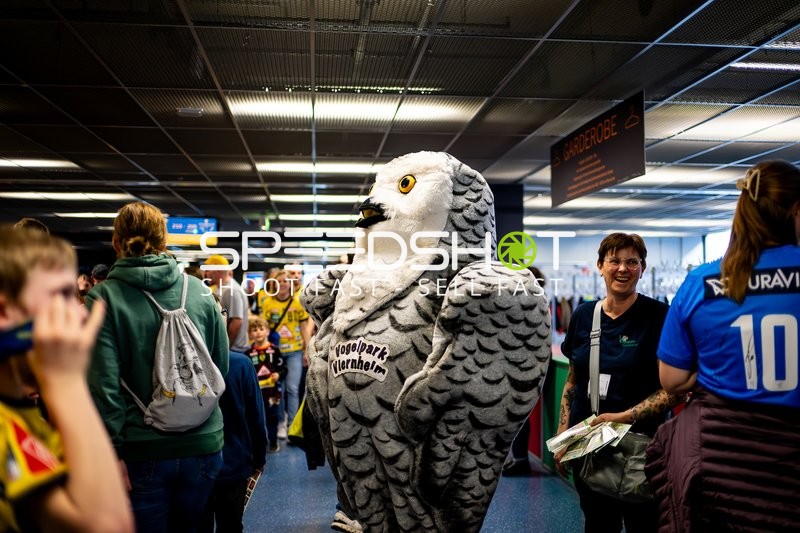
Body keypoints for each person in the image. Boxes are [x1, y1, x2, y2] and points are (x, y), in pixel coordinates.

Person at [647, 160, 800, 531]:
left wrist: (719, 368)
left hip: (719, 466)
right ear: (796, 211)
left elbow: (671, 380)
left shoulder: (701, 282)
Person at [85, 201, 229, 532]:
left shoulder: (104, 298)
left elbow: (103, 386)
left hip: (141, 449)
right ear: (164, 242)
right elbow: (219, 367)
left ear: (116, 243)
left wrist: (110, 452)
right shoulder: (200, 291)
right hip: (204, 444)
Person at [0, 225, 133, 532]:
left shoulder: (21, 412)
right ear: (5, 313)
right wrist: (66, 381)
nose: (81, 313)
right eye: (59, 296)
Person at [555, 233, 684, 533]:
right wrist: (564, 438)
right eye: (614, 261)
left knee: (644, 524)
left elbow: (675, 391)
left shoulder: (659, 316)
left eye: (632, 262)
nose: (623, 268)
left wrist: (622, 417)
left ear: (643, 268)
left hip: (641, 450)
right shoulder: (583, 315)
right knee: (598, 524)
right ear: (600, 266)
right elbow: (573, 381)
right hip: (588, 446)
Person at [200, 300, 267, 533]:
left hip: (194, 465)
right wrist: (259, 458)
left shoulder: (180, 366)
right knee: (231, 525)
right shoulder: (241, 364)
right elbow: (256, 418)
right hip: (234, 464)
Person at [503, 266, 547, 477]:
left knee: (518, 414)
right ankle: (518, 457)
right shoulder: (532, 302)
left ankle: (521, 459)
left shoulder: (533, 304)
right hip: (523, 365)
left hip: (527, 367)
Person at [259, 269, 310, 438]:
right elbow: (264, 328)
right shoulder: (267, 303)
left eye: (285, 281)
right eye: (279, 281)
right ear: (274, 284)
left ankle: (292, 425)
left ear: (291, 284)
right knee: (277, 389)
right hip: (275, 353)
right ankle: (281, 423)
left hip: (295, 351)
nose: (282, 284)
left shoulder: (297, 302)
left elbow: (304, 327)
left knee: (292, 389)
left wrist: (307, 349)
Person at [247, 315, 286, 452]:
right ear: (250, 334)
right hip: (256, 393)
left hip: (272, 393)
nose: (258, 332)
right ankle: (258, 443)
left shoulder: (274, 350)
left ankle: (273, 441)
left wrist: (278, 375)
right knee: (256, 418)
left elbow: (284, 369)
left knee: (272, 417)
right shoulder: (248, 353)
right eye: (254, 330)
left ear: (267, 331)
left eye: (261, 329)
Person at [204, 255, 251, 353]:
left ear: (217, 270)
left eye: (208, 270)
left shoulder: (231, 290)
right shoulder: (220, 288)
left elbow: (237, 321)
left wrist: (225, 348)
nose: (205, 274)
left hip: (235, 349)